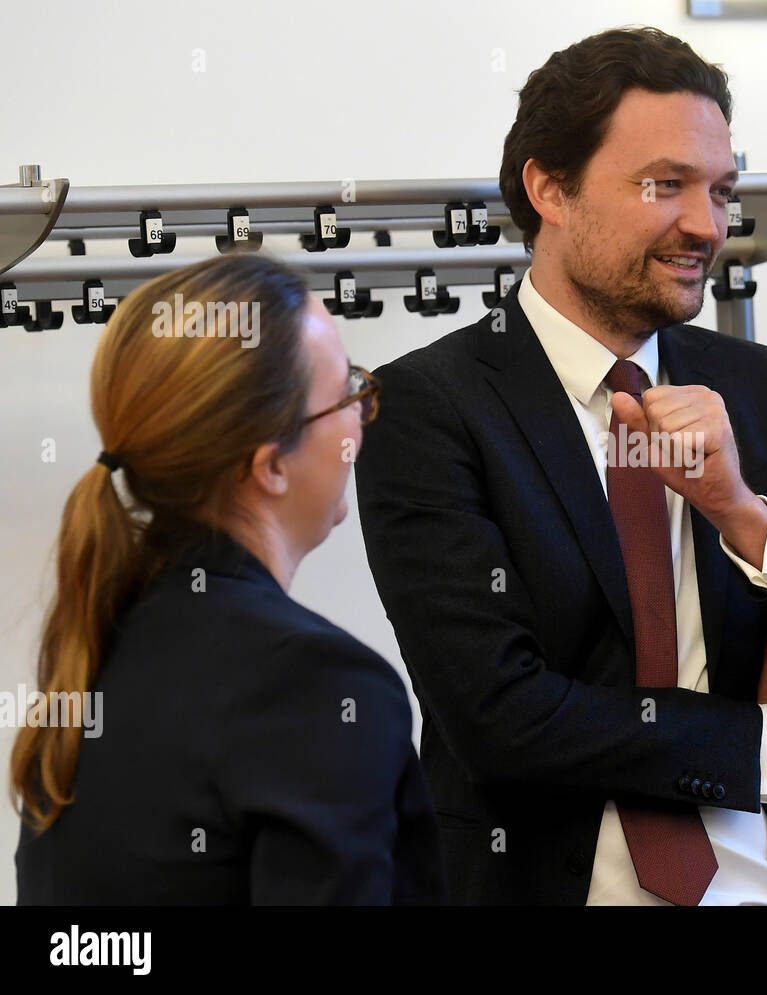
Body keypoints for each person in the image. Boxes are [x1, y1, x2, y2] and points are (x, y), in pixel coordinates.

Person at [355, 26, 767, 906]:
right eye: (665, 185)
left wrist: (750, 518)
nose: (707, 226)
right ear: (550, 189)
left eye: (720, 190)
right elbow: (497, 718)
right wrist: (761, 732)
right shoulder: (425, 408)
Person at [11, 254, 443, 904]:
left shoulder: (95, 647)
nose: (362, 418)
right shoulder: (317, 686)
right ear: (271, 464)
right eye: (348, 393)